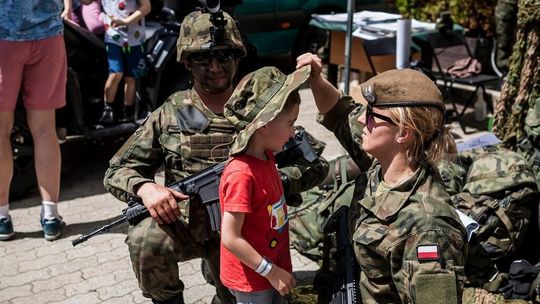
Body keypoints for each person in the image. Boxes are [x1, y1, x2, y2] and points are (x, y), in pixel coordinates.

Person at [103, 10, 327, 304]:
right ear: (186, 62)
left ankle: (219, 272)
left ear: (237, 57)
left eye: (224, 57)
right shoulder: (173, 113)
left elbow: (316, 166)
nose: (215, 67)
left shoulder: (258, 108)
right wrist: (145, 188)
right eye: (202, 59)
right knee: (145, 239)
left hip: (248, 231)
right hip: (188, 226)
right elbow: (117, 169)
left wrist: (274, 181)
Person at [296, 53, 467, 304]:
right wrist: (315, 78)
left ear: (403, 133)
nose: (364, 119)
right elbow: (340, 113)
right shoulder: (384, 161)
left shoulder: (426, 229)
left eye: (373, 116)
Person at [219, 66, 310, 303]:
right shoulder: (241, 174)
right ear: (263, 126)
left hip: (269, 270)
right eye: (290, 123)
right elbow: (230, 237)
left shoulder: (266, 155)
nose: (293, 133)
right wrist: (271, 272)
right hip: (252, 280)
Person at [0, 0, 67, 241]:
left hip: (3, 36)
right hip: (47, 35)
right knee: (45, 130)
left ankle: (2, 217)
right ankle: (50, 216)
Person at [81, 0, 150, 125]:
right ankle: (108, 109)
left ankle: (128, 111)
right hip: (113, 36)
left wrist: (125, 21)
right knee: (116, 73)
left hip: (134, 37)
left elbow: (146, 6)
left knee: (131, 77)